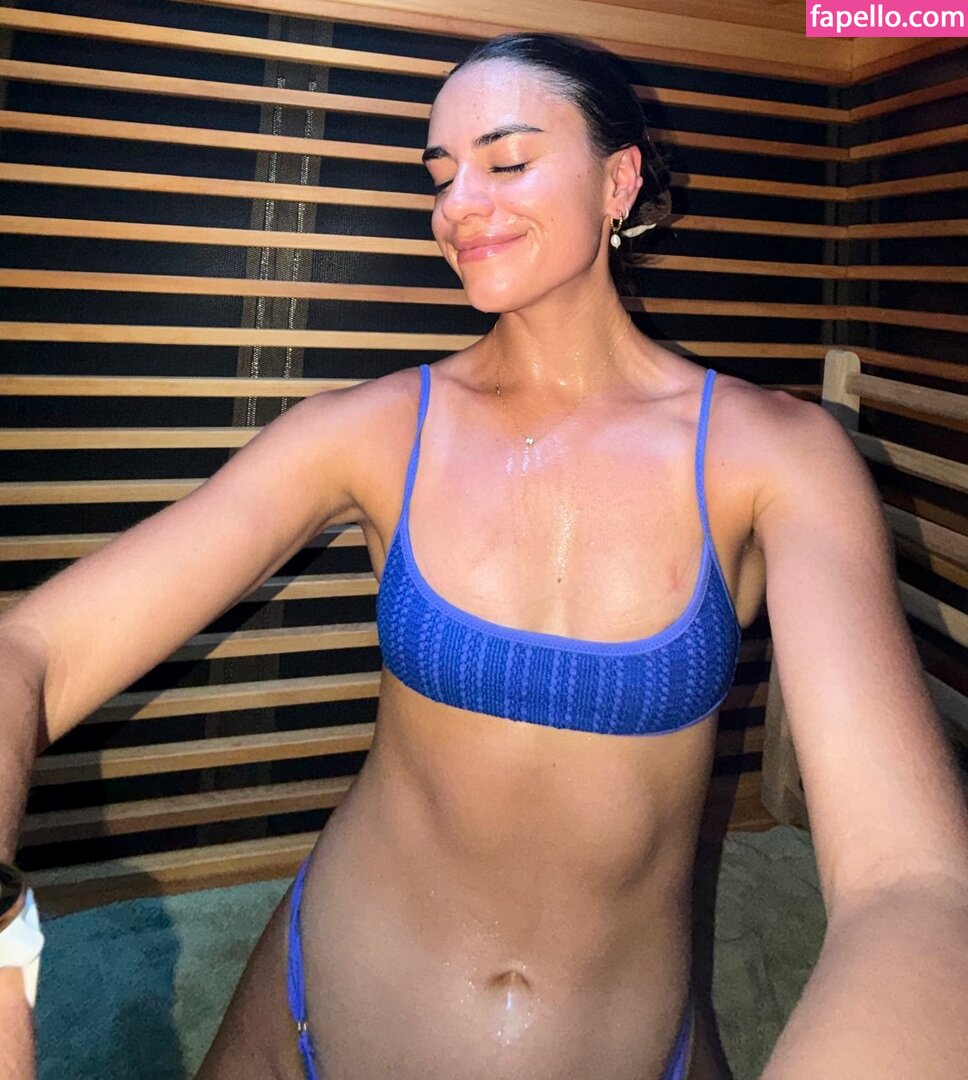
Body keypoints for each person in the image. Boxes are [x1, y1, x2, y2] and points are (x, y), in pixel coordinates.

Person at [1, 30, 967, 1080]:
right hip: (314, 1013)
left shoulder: (776, 454)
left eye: (504, 161)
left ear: (618, 181)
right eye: (439, 174)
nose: (457, 203)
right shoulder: (364, 431)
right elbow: (36, 648)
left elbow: (912, 883)